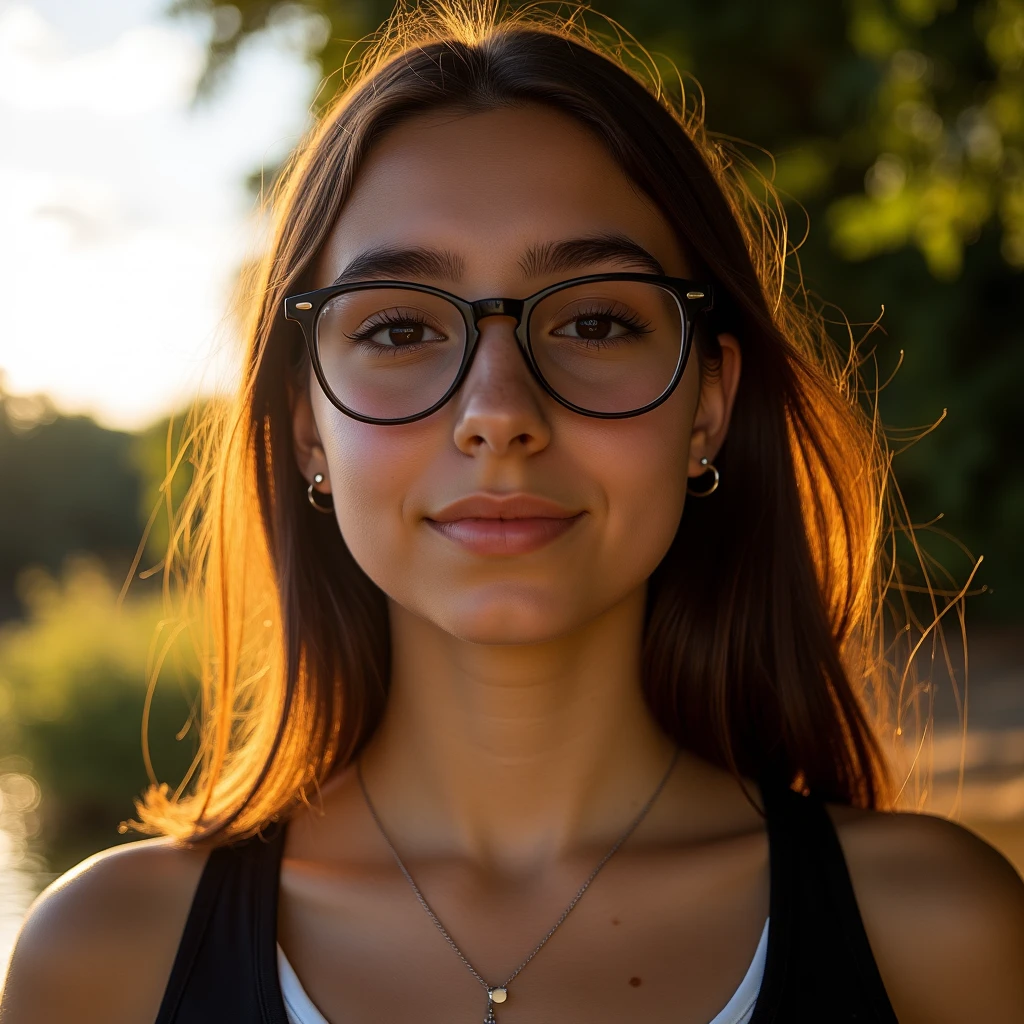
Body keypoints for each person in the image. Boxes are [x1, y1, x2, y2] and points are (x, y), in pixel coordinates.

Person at [2, 5, 1023, 1024]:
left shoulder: (935, 936)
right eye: (400, 327)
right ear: (305, 425)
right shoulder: (103, 965)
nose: (497, 413)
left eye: (593, 320)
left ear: (706, 405)